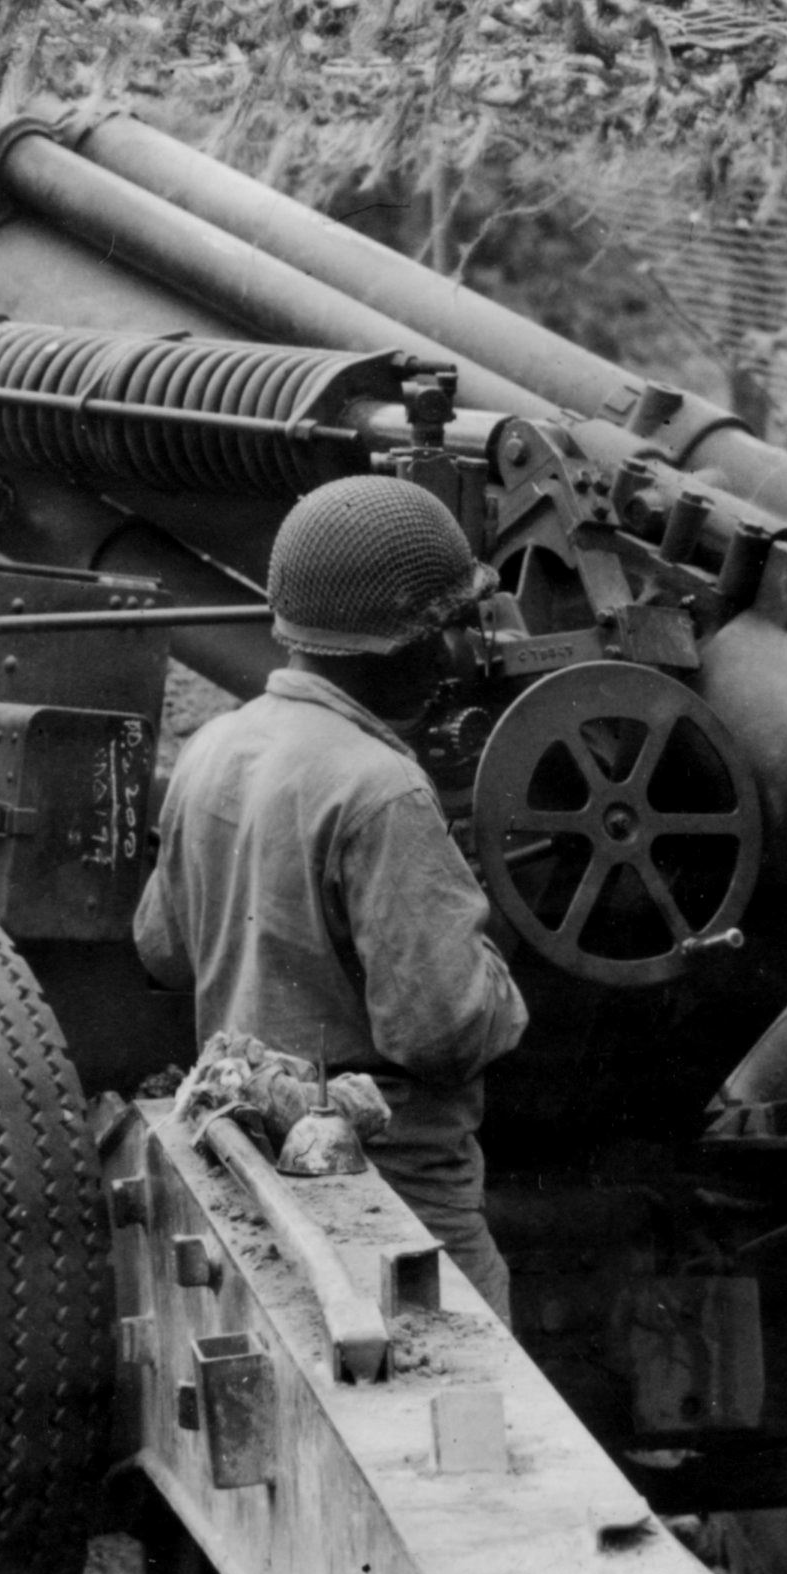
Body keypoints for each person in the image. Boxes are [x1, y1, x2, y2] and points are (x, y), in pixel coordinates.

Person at [135, 474, 531, 1313]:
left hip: (251, 1165)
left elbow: (163, 950)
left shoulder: (214, 746)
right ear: (403, 645)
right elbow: (442, 1030)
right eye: (447, 627)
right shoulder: (381, 789)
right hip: (395, 1196)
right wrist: (491, 939)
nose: (456, 651)